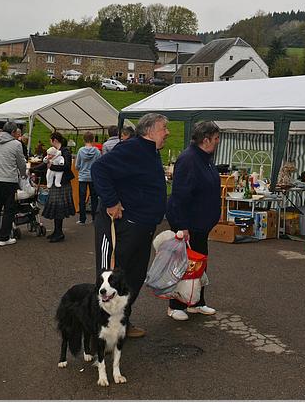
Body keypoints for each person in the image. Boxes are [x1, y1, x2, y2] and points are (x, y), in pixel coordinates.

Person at [91, 113, 169, 338]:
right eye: (164, 128)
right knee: (110, 277)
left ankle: (122, 322)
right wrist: (111, 201)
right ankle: (101, 330)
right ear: (150, 130)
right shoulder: (133, 148)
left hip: (142, 227)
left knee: (133, 278)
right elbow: (100, 169)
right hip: (120, 227)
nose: (167, 133)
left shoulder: (151, 152)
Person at [165, 121, 222, 321]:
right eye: (216, 139)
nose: (217, 142)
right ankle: (175, 304)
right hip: (189, 223)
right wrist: (182, 226)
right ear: (205, 140)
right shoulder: (189, 159)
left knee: (199, 264)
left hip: (201, 224)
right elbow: (180, 195)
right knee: (183, 265)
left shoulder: (205, 158)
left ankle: (196, 302)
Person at [0, 121, 27, 246]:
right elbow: (21, 162)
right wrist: (23, 173)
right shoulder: (16, 144)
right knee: (9, 209)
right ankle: (3, 237)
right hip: (9, 180)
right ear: (13, 132)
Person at [42, 132, 75, 243]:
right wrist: (34, 169)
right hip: (58, 183)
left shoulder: (65, 151)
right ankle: (57, 231)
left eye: (50, 140)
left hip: (62, 183)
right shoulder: (55, 151)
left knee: (59, 208)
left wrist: (52, 166)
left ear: (55, 140)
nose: (50, 142)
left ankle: (59, 233)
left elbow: (66, 166)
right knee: (56, 208)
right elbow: (47, 163)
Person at [75, 131, 101, 225]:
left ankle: (82, 219)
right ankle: (94, 218)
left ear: (83, 140)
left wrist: (81, 169)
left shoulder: (81, 151)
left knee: (82, 198)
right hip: (93, 177)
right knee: (94, 198)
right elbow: (99, 165)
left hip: (82, 177)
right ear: (93, 139)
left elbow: (77, 165)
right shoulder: (97, 151)